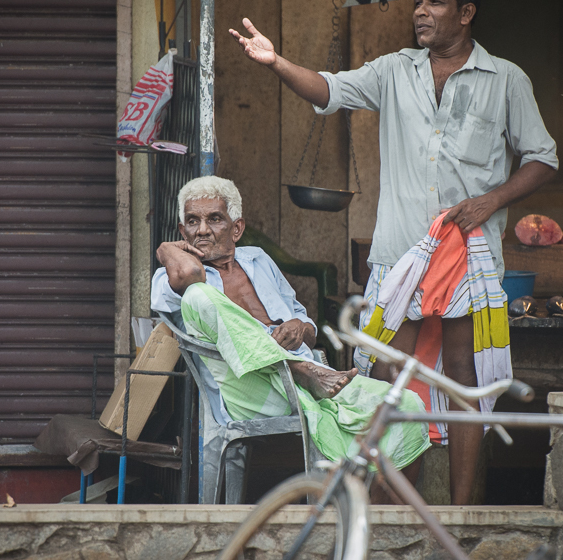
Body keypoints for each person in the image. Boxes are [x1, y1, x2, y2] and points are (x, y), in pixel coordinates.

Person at [229, 0, 558, 504]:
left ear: (466, 12)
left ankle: (458, 512)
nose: (420, 13)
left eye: (434, 3)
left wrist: (492, 200)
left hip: (470, 254)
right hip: (402, 252)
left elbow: (543, 158)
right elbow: (329, 90)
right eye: (417, 4)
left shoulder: (507, 80)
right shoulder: (393, 70)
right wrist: (277, 62)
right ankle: (387, 507)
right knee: (386, 375)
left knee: (462, 377)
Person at [151, 175, 430, 500]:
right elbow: (188, 275)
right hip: (248, 388)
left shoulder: (259, 260)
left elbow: (309, 328)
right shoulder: (169, 279)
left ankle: (376, 528)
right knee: (198, 295)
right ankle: (300, 370)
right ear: (182, 232)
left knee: (409, 407)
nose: (201, 230)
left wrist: (300, 327)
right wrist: (165, 247)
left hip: (311, 374)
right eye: (192, 222)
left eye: (214, 219)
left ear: (236, 229)